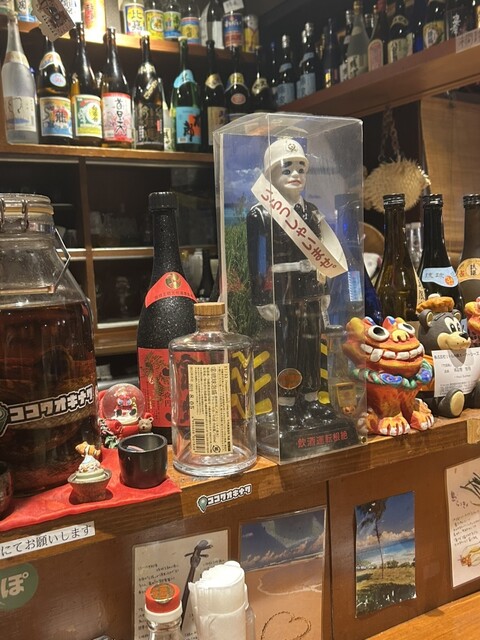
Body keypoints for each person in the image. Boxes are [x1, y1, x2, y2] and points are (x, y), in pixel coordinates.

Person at [247, 137, 349, 433]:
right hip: (281, 290)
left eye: (301, 169)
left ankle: (312, 398)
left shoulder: (311, 212)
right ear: (270, 173)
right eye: (287, 168)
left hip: (310, 290)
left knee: (311, 345)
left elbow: (322, 253)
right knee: (287, 346)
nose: (296, 175)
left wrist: (324, 289)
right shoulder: (261, 213)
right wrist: (262, 297)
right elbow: (257, 259)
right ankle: (286, 402)